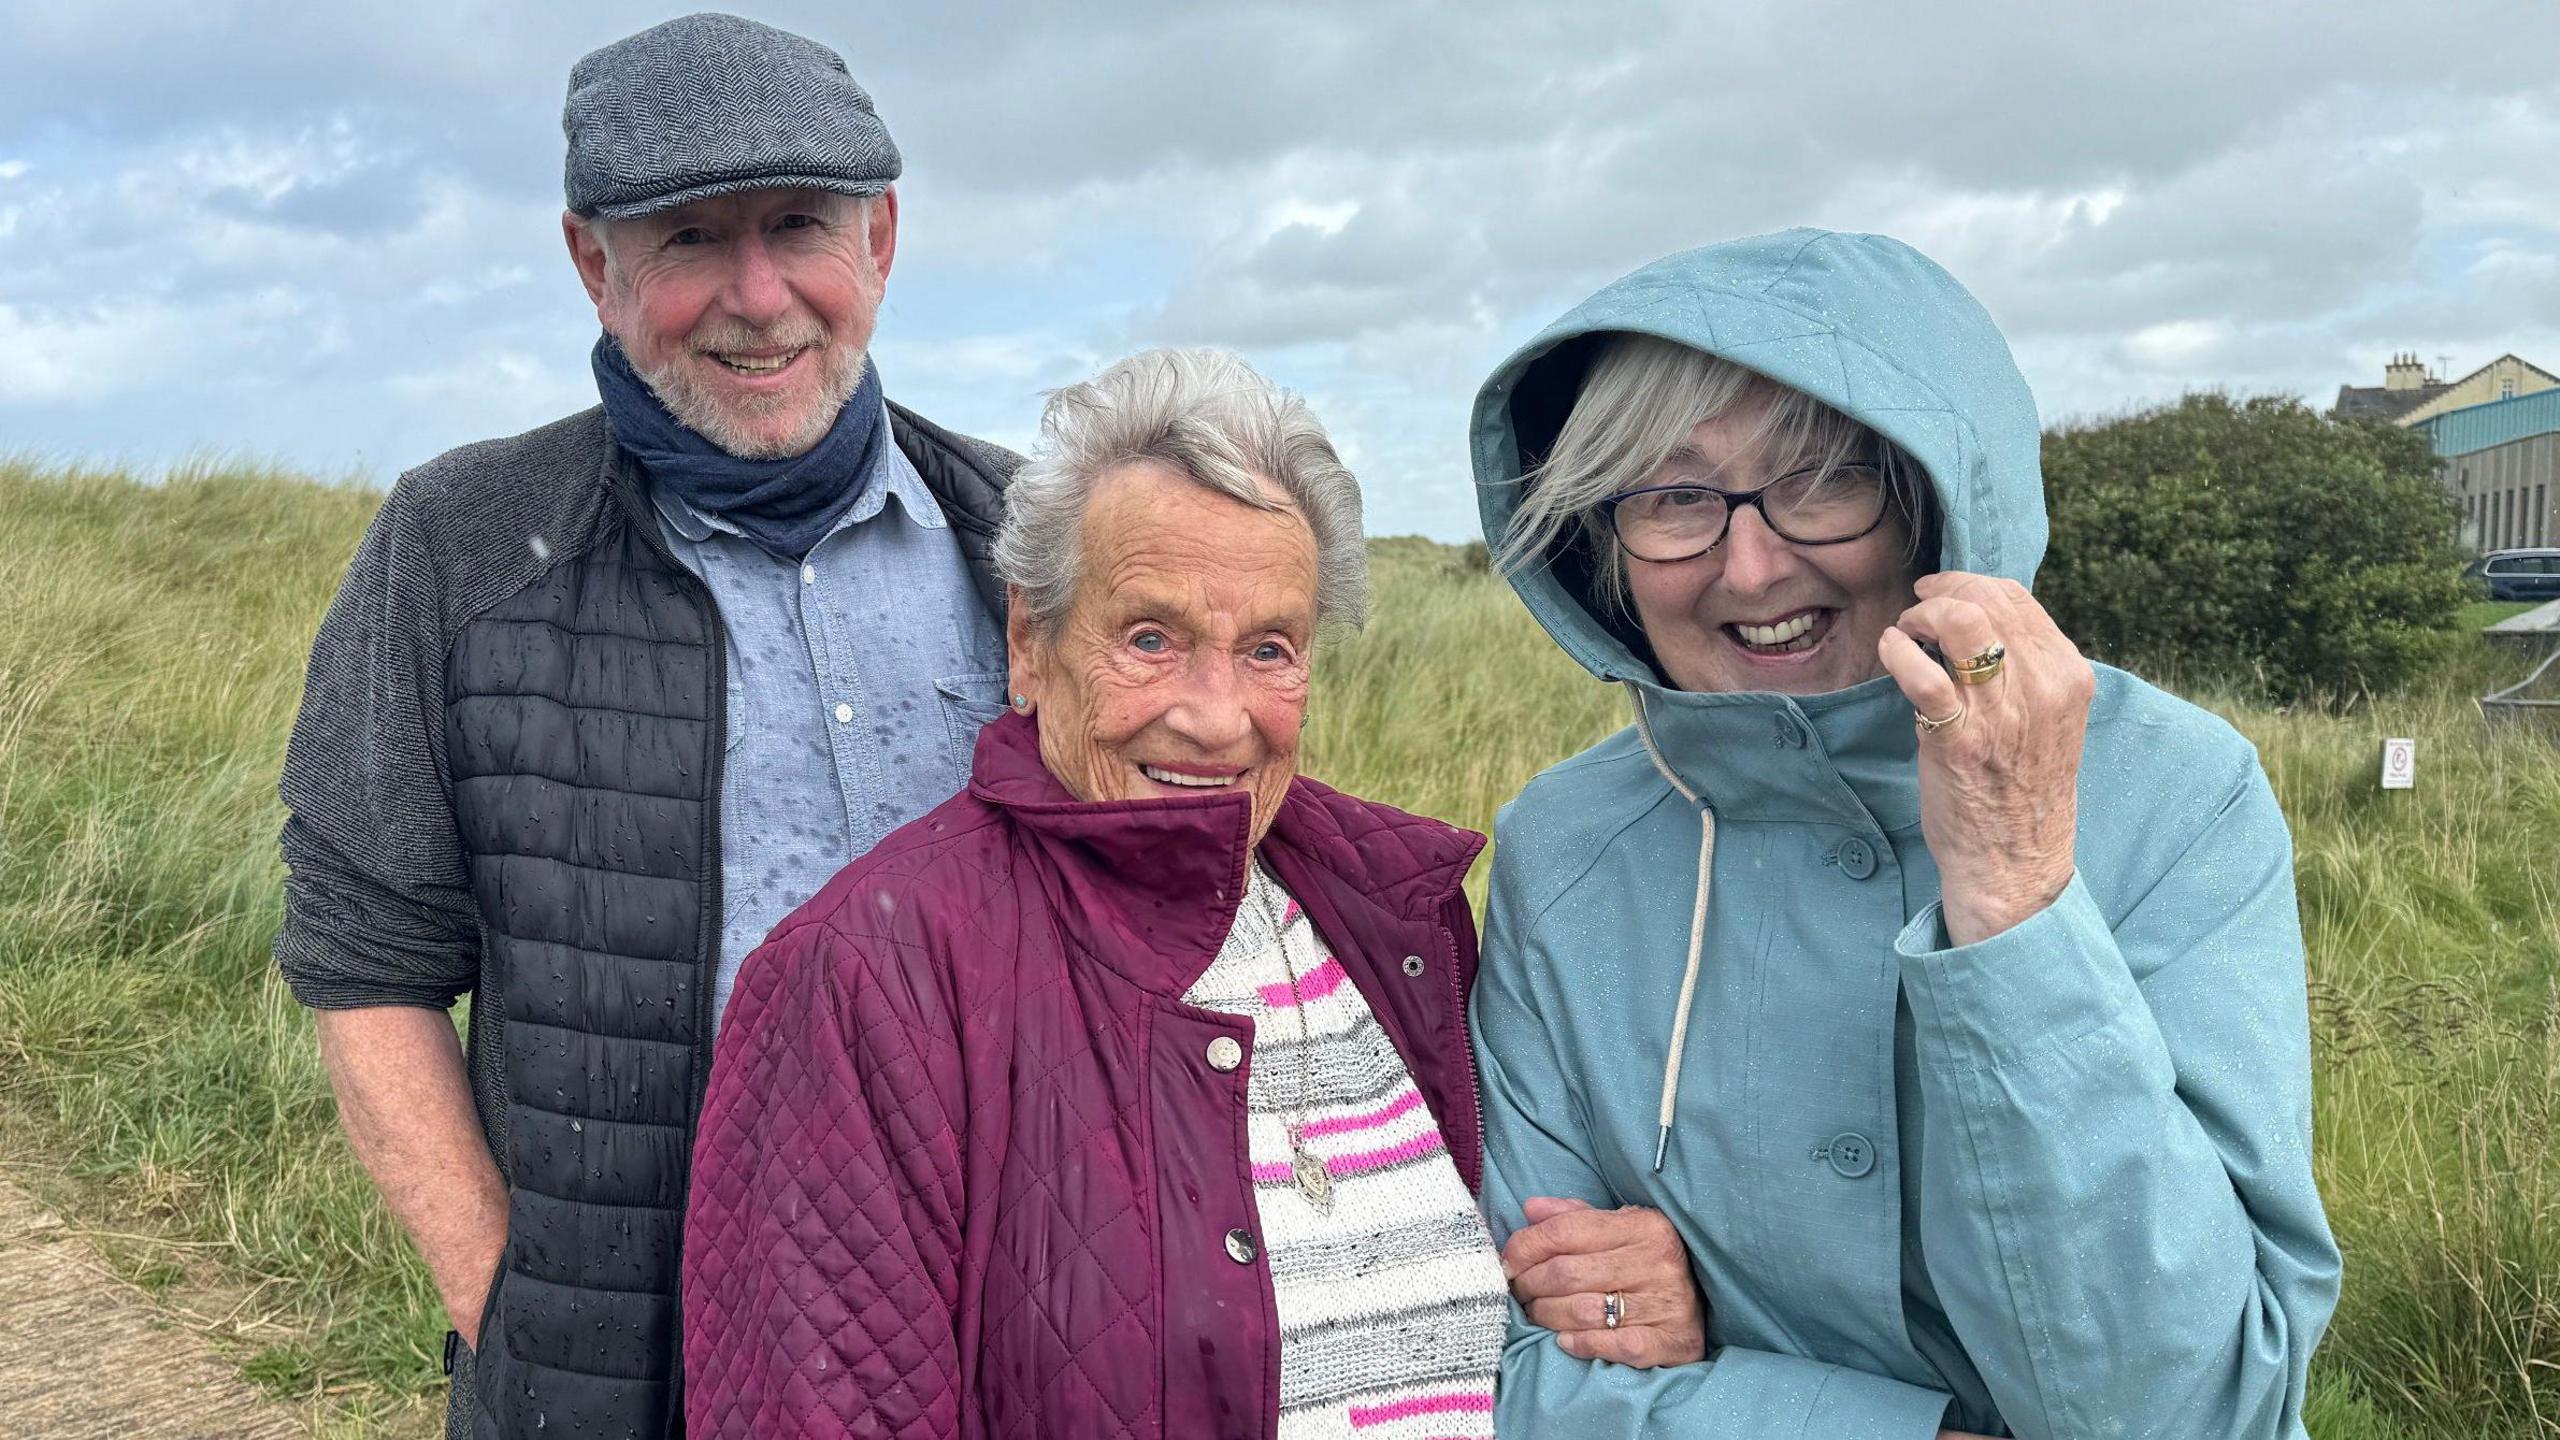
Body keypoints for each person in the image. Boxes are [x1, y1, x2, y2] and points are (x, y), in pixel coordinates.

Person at [271, 16, 1022, 1436]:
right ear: (592, 265)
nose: (759, 296)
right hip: (624, 1387)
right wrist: (510, 1307)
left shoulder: (1031, 541)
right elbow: (363, 959)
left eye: (801, 225)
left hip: (998, 1344)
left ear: (883, 242)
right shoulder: (460, 541)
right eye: (687, 239)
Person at [1466, 229, 2342, 1438]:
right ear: (1600, 542)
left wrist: (2014, 891)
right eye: (1672, 498)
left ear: (1937, 493)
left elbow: (2196, 1409)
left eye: (1823, 476)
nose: (1752, 564)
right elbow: (1502, 1368)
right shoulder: (1563, 850)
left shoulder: (2173, 795)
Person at [683, 349, 1639, 1438]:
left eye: (1269, 648)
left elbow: (1467, 1300)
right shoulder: (862, 977)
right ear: (1030, 644)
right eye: (1151, 638)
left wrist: (1614, 1288)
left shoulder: (1398, 922)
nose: (1217, 716)